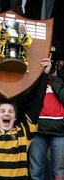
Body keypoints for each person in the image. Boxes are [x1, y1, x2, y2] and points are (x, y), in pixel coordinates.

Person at [0, 47, 51, 179]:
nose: (7, 114)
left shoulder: (24, 132)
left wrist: (45, 74)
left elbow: (37, 104)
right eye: (2, 111)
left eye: (11, 111)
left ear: (15, 117)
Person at [29, 45, 64, 180]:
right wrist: (42, 75)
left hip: (60, 131)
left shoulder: (60, 78)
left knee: (59, 173)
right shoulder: (36, 77)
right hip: (38, 130)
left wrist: (54, 77)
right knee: (35, 172)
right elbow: (27, 97)